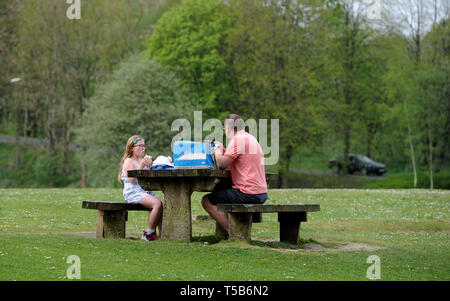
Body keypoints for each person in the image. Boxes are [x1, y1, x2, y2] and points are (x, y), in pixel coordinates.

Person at [201, 114, 268, 234]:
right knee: (220, 191)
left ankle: (234, 233)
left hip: (248, 193)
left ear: (228, 128)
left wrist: (217, 149)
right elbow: (233, 158)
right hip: (260, 193)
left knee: (207, 200)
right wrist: (222, 149)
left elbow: (221, 164)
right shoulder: (249, 138)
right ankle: (232, 230)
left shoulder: (238, 140)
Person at [118, 135, 163, 241]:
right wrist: (142, 166)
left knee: (162, 204)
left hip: (144, 191)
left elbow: (148, 181)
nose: (143, 148)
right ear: (132, 148)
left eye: (144, 146)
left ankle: (162, 234)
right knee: (156, 204)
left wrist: (150, 167)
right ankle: (148, 234)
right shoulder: (129, 161)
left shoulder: (142, 160)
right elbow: (132, 180)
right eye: (140, 146)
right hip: (133, 192)